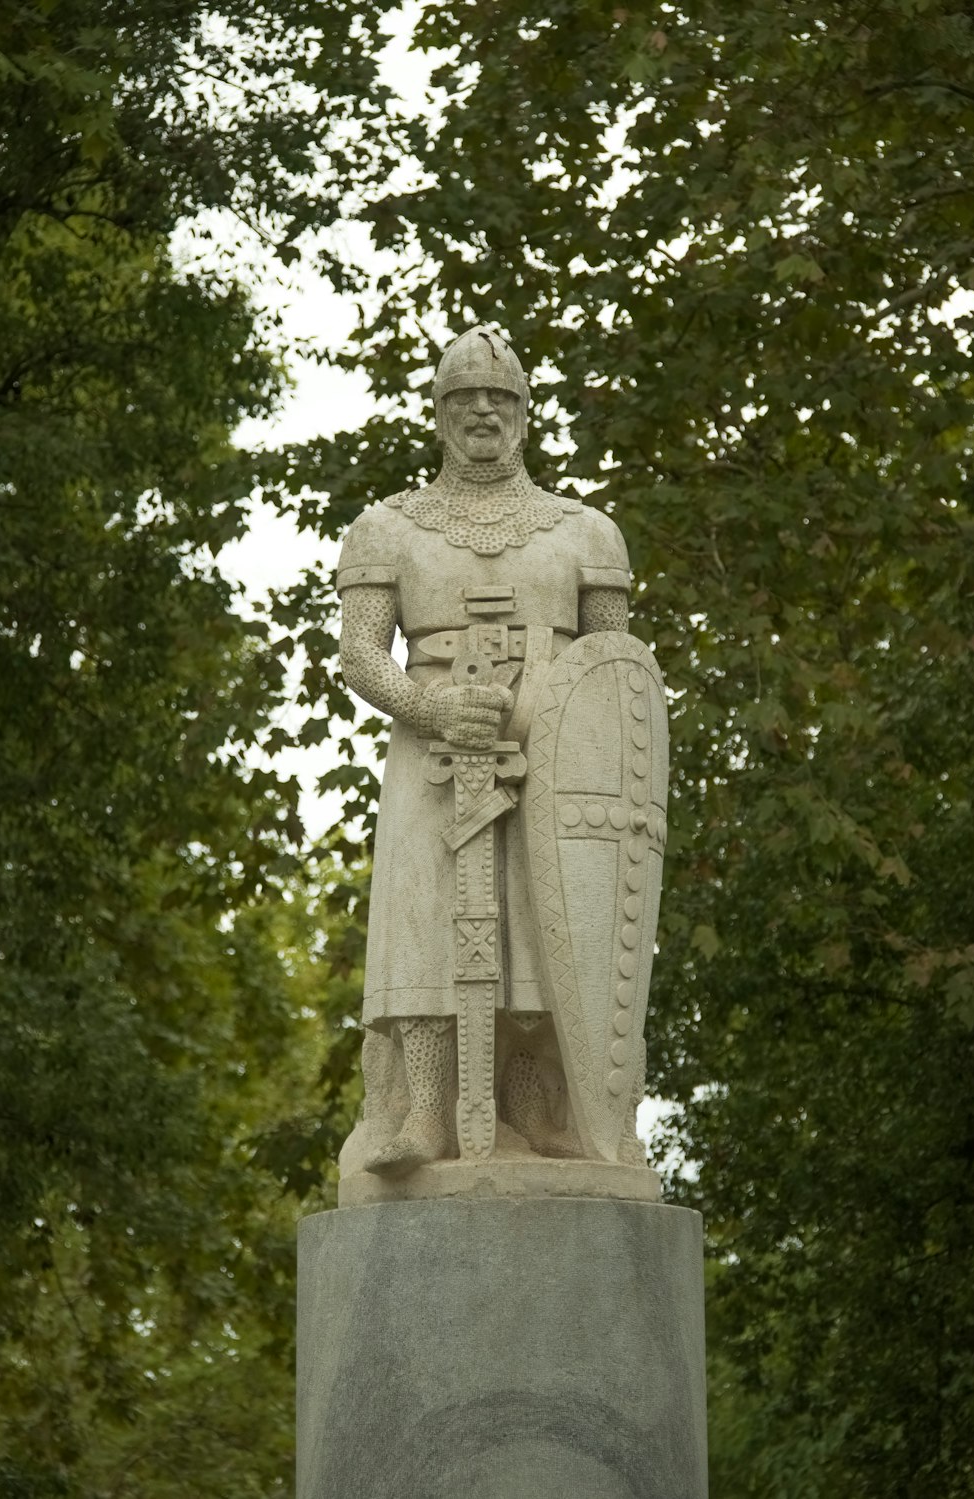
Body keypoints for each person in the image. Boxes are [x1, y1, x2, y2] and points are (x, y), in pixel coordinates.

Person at [336, 326, 636, 1175]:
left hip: (551, 765)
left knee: (548, 932)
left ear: (526, 414)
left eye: (500, 398)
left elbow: (613, 670)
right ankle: (423, 1113)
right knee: (424, 923)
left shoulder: (585, 533)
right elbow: (362, 653)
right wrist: (431, 709)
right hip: (430, 760)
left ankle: (544, 1110)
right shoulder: (386, 528)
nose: (482, 411)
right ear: (436, 413)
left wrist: (560, 731)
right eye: (464, 397)